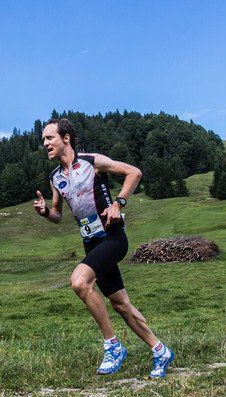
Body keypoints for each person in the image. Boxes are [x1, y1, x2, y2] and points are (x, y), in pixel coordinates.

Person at [34, 118, 175, 378]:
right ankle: (160, 350)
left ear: (66, 138)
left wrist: (118, 204)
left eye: (49, 138)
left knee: (79, 282)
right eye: (43, 139)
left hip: (112, 237)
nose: (45, 143)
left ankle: (113, 346)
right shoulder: (55, 178)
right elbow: (57, 215)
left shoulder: (92, 161)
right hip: (91, 243)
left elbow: (134, 172)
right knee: (121, 305)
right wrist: (45, 212)